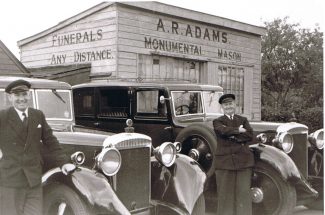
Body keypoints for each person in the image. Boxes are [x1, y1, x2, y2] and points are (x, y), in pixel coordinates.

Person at [0, 79, 75, 215]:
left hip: (33, 182)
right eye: (17, 95)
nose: (21, 99)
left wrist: (63, 163)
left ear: (29, 95)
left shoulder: (38, 116)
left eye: (24, 94)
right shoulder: (2, 117)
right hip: (10, 182)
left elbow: (50, 141)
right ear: (10, 97)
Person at [212, 93, 254, 215]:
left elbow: (250, 135)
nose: (228, 106)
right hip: (225, 163)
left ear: (235, 105)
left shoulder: (243, 120)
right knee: (225, 196)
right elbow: (222, 131)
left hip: (244, 162)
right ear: (222, 107)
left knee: (243, 195)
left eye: (230, 104)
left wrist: (233, 136)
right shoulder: (217, 121)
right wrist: (238, 130)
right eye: (225, 104)